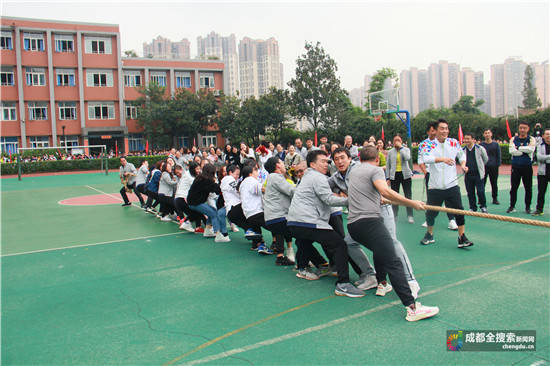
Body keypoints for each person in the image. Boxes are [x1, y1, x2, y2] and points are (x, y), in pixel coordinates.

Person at [347, 146, 439, 321]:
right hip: (369, 222)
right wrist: (411, 203)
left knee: (381, 251)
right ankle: (412, 308)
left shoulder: (355, 171)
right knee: (394, 261)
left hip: (354, 226)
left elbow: (369, 193)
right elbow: (385, 190)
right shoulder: (375, 170)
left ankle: (382, 283)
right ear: (377, 160)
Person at [287, 150, 364, 298]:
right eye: (323, 161)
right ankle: (343, 284)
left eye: (328, 161)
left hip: (294, 222)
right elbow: (328, 199)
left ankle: (303, 268)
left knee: (304, 240)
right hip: (307, 220)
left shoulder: (306, 177)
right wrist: (351, 200)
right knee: (339, 245)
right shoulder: (318, 177)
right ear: (312, 164)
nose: (327, 164)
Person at [419, 119, 473, 248]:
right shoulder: (428, 145)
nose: (445, 131)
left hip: (452, 185)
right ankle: (429, 234)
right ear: (436, 130)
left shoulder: (453, 142)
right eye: (442, 128)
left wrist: (463, 165)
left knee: (459, 210)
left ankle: (462, 237)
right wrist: (442, 159)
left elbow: (461, 155)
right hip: (435, 187)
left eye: (446, 128)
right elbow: (426, 158)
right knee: (431, 213)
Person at [418, 122, 457, 230]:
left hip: (446, 177)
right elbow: (421, 160)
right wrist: (426, 172)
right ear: (429, 132)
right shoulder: (424, 144)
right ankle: (429, 220)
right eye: (433, 130)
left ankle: (452, 220)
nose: (435, 132)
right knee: (432, 200)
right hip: (431, 176)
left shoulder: (446, 143)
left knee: (449, 199)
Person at [263, 156, 297, 265]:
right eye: (282, 162)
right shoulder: (276, 177)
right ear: (277, 165)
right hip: (278, 215)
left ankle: (281, 256)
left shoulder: (271, 178)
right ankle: (304, 259)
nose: (283, 164)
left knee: (281, 232)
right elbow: (291, 190)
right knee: (301, 233)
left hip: (273, 216)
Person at [187, 164, 230, 242]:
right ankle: (218, 235)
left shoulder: (200, 178)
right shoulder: (206, 180)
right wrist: (224, 185)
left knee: (211, 211)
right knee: (214, 213)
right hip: (195, 203)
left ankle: (208, 230)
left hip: (193, 201)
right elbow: (216, 189)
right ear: (211, 172)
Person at [239, 165, 272, 254]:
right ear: (250, 173)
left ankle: (259, 246)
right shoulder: (252, 181)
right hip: (256, 211)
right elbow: (262, 190)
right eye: (255, 170)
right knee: (275, 227)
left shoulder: (242, 183)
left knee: (257, 230)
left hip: (248, 213)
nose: (257, 172)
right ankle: (277, 247)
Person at [507, 121, 537, 214]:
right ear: (519, 129)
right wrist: (524, 149)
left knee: (528, 188)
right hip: (515, 167)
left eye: (524, 128)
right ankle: (512, 206)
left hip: (527, 167)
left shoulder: (531, 139)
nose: (522, 130)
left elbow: (531, 149)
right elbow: (511, 151)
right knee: (513, 188)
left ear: (528, 129)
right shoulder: (513, 138)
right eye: (521, 128)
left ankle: (527, 207)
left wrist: (518, 147)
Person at [386, 135, 414, 223]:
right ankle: (395, 215)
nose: (397, 142)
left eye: (398, 140)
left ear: (401, 141)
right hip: (394, 175)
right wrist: (388, 177)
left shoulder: (406, 149)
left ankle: (410, 215)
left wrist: (401, 148)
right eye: (395, 140)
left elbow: (407, 158)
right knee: (394, 196)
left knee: (408, 195)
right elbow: (388, 165)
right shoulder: (390, 152)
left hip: (405, 175)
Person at [174, 162, 205, 233]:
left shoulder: (189, 174)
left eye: (199, 168)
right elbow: (198, 185)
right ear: (192, 169)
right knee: (197, 212)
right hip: (182, 199)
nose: (199, 170)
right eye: (197, 169)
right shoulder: (189, 176)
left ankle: (198, 227)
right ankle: (186, 222)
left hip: (179, 199)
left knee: (197, 212)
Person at [463, 133, 489, 213]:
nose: (466, 140)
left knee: (480, 191)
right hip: (468, 175)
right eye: (465, 139)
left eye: (468, 139)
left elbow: (485, 159)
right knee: (470, 192)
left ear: (473, 139)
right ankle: (472, 207)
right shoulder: (463, 150)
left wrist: (480, 168)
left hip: (478, 174)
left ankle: (483, 206)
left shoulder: (480, 148)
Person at [480, 129, 501, 205]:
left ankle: (495, 198)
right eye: (485, 133)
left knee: (494, 183)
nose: (487, 134)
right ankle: (481, 199)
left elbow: (498, 156)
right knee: (482, 183)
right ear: (483, 135)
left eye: (488, 133)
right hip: (484, 167)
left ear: (491, 134)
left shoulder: (496, 144)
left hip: (494, 167)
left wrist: (497, 164)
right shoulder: (481, 145)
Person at [533, 128, 550, 216]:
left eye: (549, 134)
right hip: (542, 173)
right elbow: (539, 157)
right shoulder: (540, 145)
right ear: (543, 136)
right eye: (547, 134)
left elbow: (543, 158)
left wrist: (545, 158)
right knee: (541, 192)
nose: (548, 136)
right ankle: (539, 209)